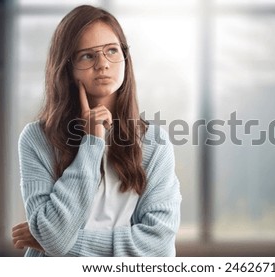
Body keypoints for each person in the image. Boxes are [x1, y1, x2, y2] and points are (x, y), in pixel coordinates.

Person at [11, 5, 181, 257]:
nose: (103, 64)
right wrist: (92, 143)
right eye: (88, 56)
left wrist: (62, 243)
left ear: (125, 58)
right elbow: (55, 236)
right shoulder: (37, 138)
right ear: (67, 68)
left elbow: (158, 247)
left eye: (112, 50)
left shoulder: (154, 143)